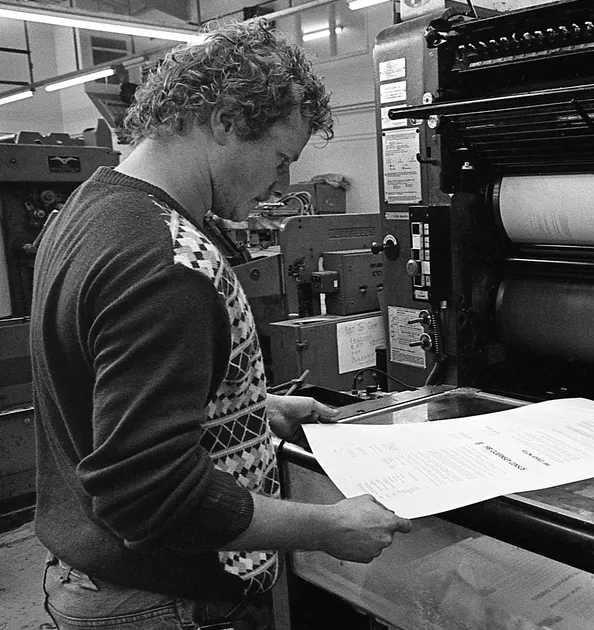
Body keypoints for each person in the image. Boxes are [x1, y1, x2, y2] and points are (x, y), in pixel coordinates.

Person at [30, 19, 412, 630]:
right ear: (225, 122)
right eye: (279, 159)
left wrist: (252, 414)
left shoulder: (94, 207)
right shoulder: (167, 261)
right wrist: (327, 527)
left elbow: (104, 398)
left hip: (99, 576)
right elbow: (148, 492)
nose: (278, 184)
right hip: (163, 601)